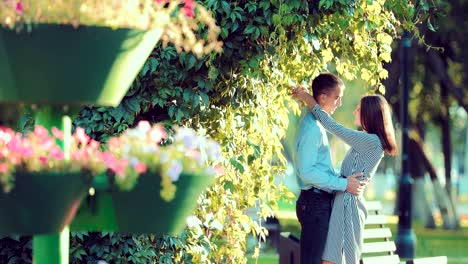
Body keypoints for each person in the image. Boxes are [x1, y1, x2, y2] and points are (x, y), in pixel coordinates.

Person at [292, 85, 398, 264]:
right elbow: (344, 172)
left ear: (369, 114)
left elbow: (332, 126)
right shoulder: (367, 140)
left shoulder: (370, 141)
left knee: (334, 261)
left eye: (359, 108)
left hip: (347, 207)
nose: (354, 111)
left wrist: (309, 99)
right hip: (344, 203)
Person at [292, 73, 367, 264]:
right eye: (337, 97)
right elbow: (307, 172)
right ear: (323, 98)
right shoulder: (313, 129)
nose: (340, 103)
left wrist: (345, 179)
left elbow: (319, 168)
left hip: (318, 203)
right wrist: (343, 184)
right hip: (314, 204)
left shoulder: (317, 124)